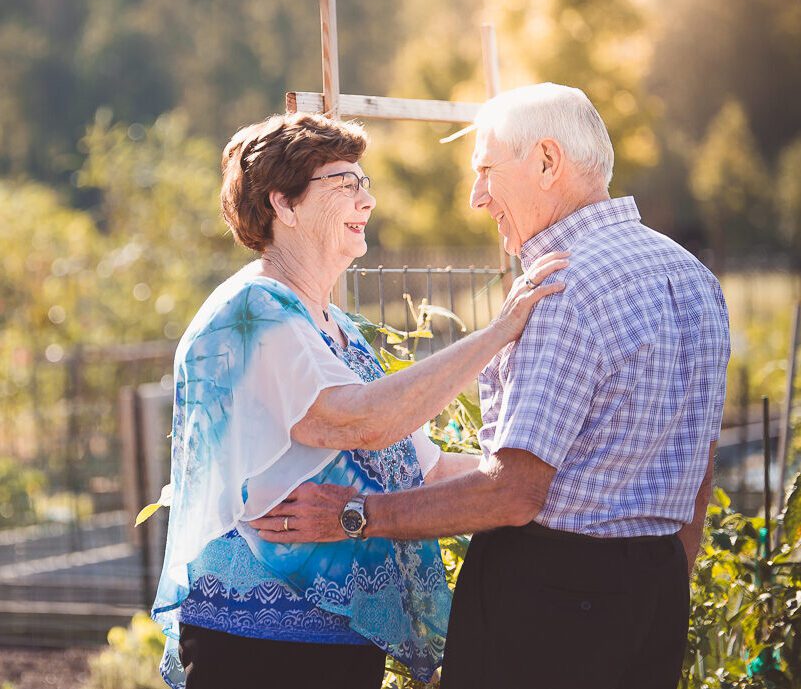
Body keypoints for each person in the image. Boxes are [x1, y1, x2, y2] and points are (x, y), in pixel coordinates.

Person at [251, 85, 731, 689]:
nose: (478, 198)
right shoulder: (694, 277)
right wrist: (659, 582)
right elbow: (700, 467)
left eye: (485, 171)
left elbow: (514, 494)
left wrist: (355, 515)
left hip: (551, 606)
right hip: (655, 595)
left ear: (547, 163)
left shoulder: (560, 286)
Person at [150, 111, 567, 689]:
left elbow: (427, 468)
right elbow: (359, 422)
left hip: (337, 644)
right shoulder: (250, 311)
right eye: (345, 183)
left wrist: (549, 476)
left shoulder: (338, 329)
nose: (367, 201)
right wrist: (499, 333)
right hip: (256, 647)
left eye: (364, 183)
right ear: (284, 205)